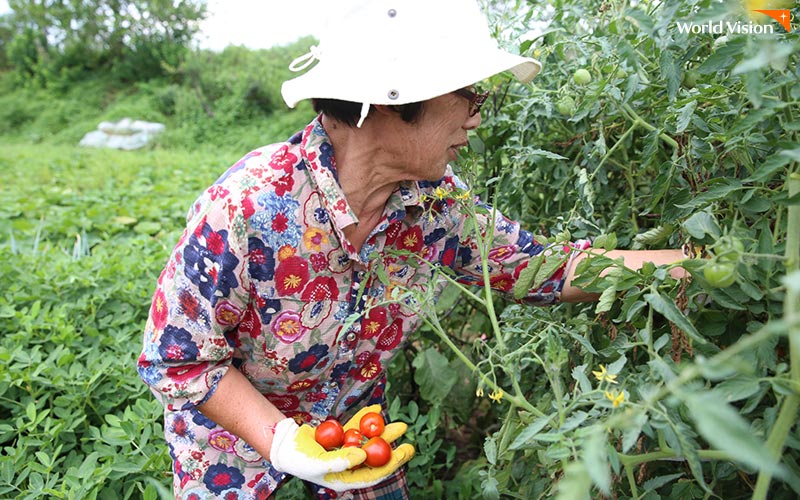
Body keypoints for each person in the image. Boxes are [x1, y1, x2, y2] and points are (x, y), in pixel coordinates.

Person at [137, 0, 689, 498]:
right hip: (234, 451)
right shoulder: (247, 207)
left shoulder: (437, 207)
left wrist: (688, 266)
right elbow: (179, 357)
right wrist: (282, 443)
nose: (477, 115)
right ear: (390, 99)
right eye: (470, 93)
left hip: (356, 435)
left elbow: (544, 270)